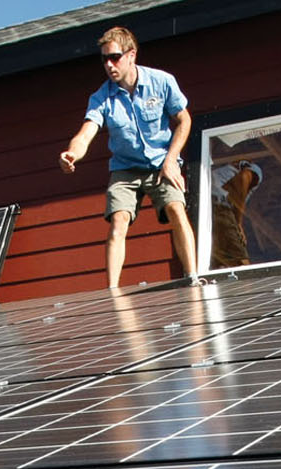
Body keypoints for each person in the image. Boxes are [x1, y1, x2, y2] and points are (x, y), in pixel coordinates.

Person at [57, 26, 196, 290]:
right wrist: (72, 153)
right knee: (118, 219)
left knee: (176, 208)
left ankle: (193, 278)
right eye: (104, 59)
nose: (109, 65)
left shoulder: (162, 82)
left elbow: (184, 120)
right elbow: (86, 133)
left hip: (161, 163)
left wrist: (171, 159)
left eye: (115, 57)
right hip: (125, 169)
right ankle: (112, 292)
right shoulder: (101, 98)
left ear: (131, 55)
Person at [208, 160, 262, 268]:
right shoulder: (255, 171)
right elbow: (244, 177)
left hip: (204, 211)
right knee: (241, 264)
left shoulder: (219, 174)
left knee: (217, 264)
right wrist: (238, 223)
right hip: (218, 207)